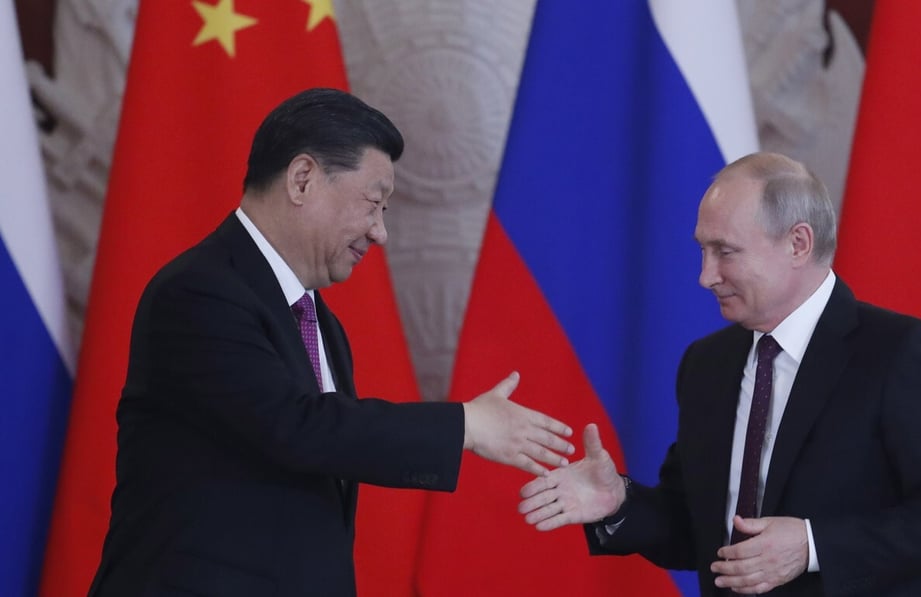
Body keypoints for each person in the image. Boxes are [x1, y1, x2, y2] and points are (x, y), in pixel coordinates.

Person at [87, 88, 575, 597]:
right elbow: (296, 427)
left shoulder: (321, 323)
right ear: (302, 180)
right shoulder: (199, 291)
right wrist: (465, 426)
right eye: (373, 203)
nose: (380, 232)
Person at [518, 152, 921, 596]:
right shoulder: (706, 364)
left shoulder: (901, 353)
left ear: (797, 243)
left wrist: (812, 546)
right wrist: (619, 503)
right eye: (702, 251)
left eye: (725, 252)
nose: (705, 276)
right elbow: (697, 532)